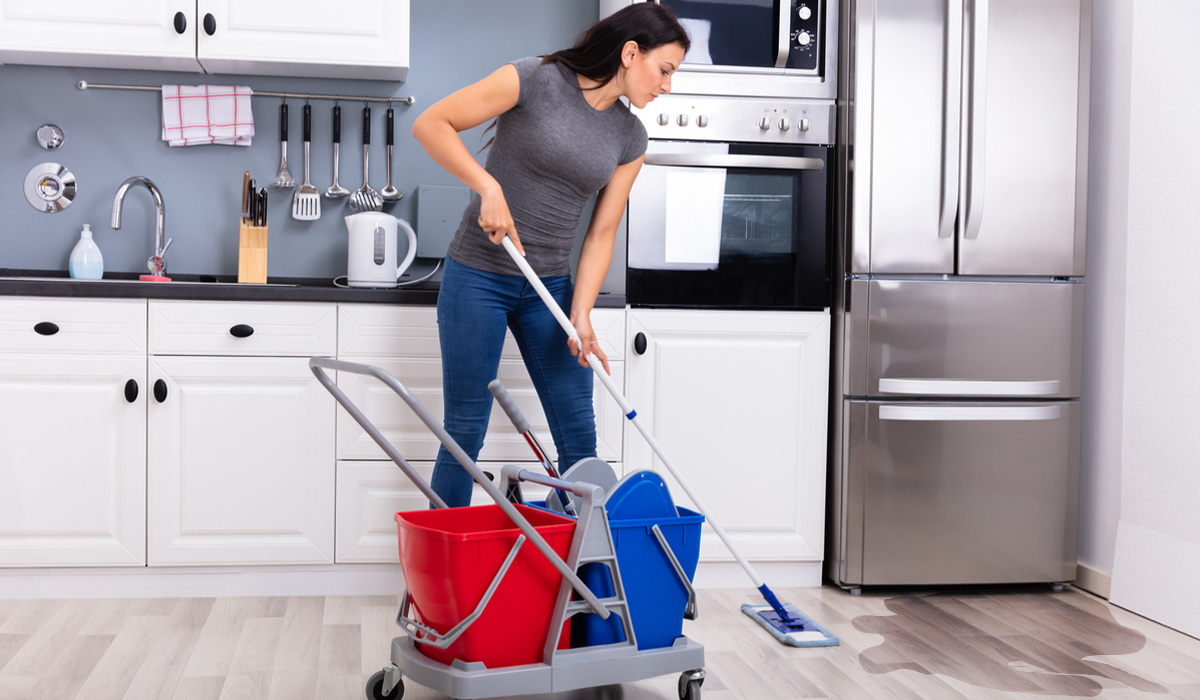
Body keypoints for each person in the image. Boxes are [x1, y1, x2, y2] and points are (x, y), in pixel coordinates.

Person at [411, 4, 691, 508]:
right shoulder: (535, 78)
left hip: (549, 288)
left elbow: (601, 234)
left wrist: (580, 312)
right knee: (466, 430)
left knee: (580, 435)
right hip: (479, 274)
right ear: (631, 53)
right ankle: (444, 579)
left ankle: (578, 577)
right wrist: (486, 185)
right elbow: (432, 124)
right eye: (664, 71)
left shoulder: (631, 137)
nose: (667, 86)